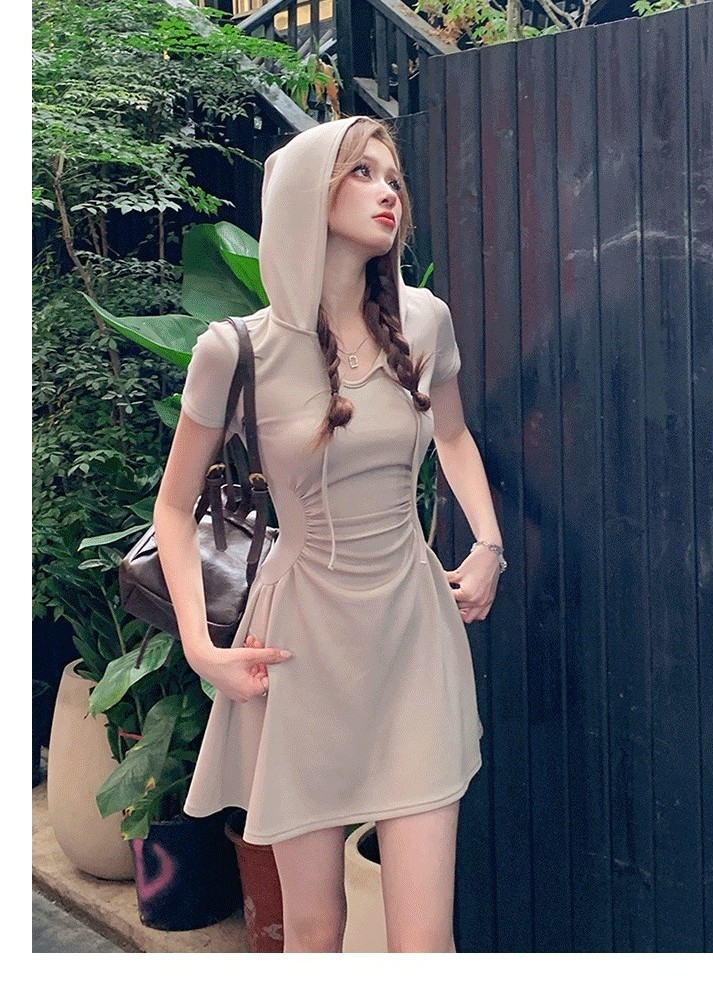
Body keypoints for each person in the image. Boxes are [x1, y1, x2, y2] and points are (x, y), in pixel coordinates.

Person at [153, 115, 505, 953]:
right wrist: (202, 648)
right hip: (300, 649)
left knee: (424, 943)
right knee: (314, 931)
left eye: (393, 178)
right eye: (362, 173)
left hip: (413, 637)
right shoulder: (235, 350)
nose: (389, 192)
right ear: (309, 195)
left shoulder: (424, 322)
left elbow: (453, 435)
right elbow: (172, 507)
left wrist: (489, 546)